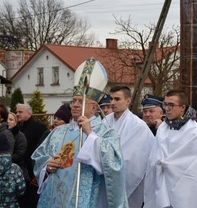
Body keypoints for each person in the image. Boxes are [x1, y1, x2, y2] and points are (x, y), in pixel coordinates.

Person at [31, 57, 128, 207]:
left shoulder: (106, 133)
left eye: (81, 101)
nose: (75, 105)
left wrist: (91, 135)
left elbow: (115, 166)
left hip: (86, 198)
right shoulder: (58, 132)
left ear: (94, 107)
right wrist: (47, 167)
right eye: (73, 101)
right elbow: (39, 156)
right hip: (54, 197)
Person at [144, 89, 197, 208]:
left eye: (171, 105)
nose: (167, 108)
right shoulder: (162, 129)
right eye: (165, 104)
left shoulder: (195, 132)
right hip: (162, 186)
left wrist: (171, 166)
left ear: (183, 107)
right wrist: (158, 164)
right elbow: (154, 158)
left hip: (186, 191)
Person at [103, 86, 155, 207]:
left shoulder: (138, 126)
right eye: (111, 99)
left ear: (128, 101)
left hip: (128, 181)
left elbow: (136, 160)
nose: (112, 103)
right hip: (105, 178)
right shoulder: (105, 121)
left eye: (117, 99)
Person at [15, 103, 47, 207]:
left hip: (32, 170)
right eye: (16, 112)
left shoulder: (39, 128)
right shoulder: (16, 128)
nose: (17, 114)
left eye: (20, 112)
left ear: (29, 114)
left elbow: (41, 149)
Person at [8, 112, 30, 184]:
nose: (8, 121)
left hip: (16, 169)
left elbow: (20, 153)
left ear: (15, 123)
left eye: (11, 119)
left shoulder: (20, 136)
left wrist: (5, 160)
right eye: (6, 119)